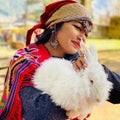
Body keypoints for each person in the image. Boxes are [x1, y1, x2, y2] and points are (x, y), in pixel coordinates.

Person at [0, 0, 119, 120]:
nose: (82, 37)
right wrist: (80, 79)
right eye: (77, 27)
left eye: (86, 34)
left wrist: (95, 70)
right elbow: (41, 113)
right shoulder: (26, 61)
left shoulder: (78, 61)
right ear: (54, 25)